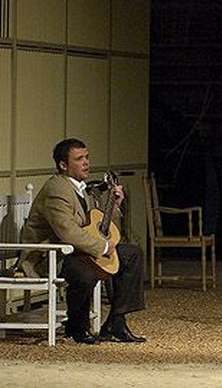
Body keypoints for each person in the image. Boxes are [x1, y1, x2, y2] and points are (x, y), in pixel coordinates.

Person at [19, 138, 147, 344]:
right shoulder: (56, 190)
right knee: (85, 273)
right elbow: (68, 232)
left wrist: (114, 206)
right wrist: (103, 247)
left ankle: (116, 322)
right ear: (63, 165)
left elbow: (93, 227)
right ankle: (76, 326)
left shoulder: (78, 188)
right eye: (79, 159)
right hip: (51, 256)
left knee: (132, 254)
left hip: (75, 250)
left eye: (87, 157)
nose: (86, 162)